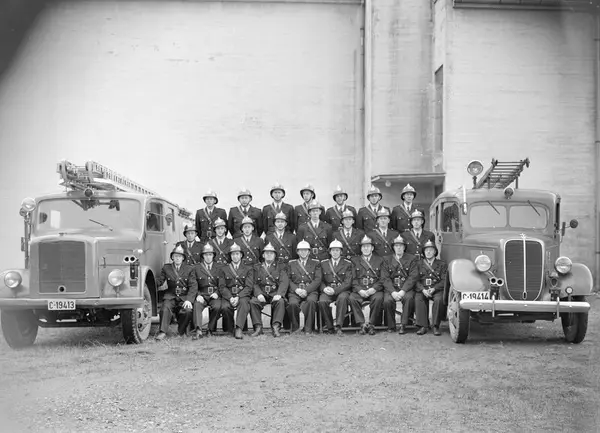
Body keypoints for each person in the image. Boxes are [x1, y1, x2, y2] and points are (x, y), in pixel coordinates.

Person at [155, 245, 198, 340]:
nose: (177, 258)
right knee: (165, 308)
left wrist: (189, 300)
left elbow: (193, 286)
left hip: (184, 296)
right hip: (171, 295)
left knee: (187, 311)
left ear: (183, 258)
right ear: (172, 257)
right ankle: (162, 332)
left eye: (179, 256)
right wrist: (150, 282)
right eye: (175, 256)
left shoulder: (189, 269)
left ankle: (181, 332)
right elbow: (160, 281)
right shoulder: (167, 268)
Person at [348, 235, 389, 335]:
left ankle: (371, 324)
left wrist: (374, 289)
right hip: (360, 289)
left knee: (378, 298)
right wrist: (359, 290)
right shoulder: (354, 260)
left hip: (374, 289)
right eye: (364, 246)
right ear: (361, 249)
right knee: (352, 298)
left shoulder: (380, 260)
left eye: (368, 246)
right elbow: (352, 279)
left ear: (372, 248)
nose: (366, 248)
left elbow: (383, 278)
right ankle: (361, 324)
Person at [191, 244, 231, 339]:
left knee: (217, 307)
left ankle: (210, 329)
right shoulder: (196, 268)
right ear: (203, 256)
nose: (208, 257)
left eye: (210, 254)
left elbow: (222, 284)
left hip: (215, 295)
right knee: (197, 305)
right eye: (206, 255)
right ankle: (198, 330)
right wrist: (198, 295)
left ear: (213, 255)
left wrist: (217, 293)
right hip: (202, 294)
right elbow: (194, 284)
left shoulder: (220, 267)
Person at [249, 243, 289, 337]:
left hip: (274, 293)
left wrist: (279, 294)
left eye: (271, 253)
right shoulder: (257, 267)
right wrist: (258, 294)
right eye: (267, 253)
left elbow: (284, 281)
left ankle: (276, 327)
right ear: (263, 255)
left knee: (280, 302)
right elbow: (253, 282)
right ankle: (258, 328)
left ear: (275, 255)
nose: (269, 255)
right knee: (253, 302)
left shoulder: (281, 267)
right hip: (262, 292)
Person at [382, 235, 418, 334]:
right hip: (392, 288)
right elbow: (385, 278)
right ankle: (391, 326)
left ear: (404, 247)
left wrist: (403, 291)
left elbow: (413, 277)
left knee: (409, 299)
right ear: (393, 247)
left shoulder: (412, 259)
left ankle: (403, 324)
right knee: (387, 301)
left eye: (401, 246)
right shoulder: (386, 259)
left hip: (405, 288)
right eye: (396, 246)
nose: (398, 248)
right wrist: (393, 292)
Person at [218, 243, 254, 340]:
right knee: (225, 307)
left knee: (243, 304)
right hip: (228, 295)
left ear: (241, 255)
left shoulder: (248, 269)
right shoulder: (224, 269)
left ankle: (239, 328)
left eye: (237, 254)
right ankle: (230, 329)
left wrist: (238, 297)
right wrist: (230, 298)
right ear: (230, 256)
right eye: (233, 254)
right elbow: (222, 286)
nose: (235, 256)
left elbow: (249, 287)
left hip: (242, 295)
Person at [318, 240, 353, 336]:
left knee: (342, 298)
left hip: (342, 290)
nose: (335, 252)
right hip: (328, 290)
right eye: (333, 250)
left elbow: (348, 282)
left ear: (341, 251)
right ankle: (329, 327)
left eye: (337, 250)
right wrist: (324, 288)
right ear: (330, 252)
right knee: (322, 301)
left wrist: (335, 290)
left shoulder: (347, 263)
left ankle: (338, 326)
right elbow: (319, 279)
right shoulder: (323, 263)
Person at [286, 240, 322, 334]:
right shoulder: (291, 263)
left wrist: (306, 290)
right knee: (292, 304)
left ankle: (308, 328)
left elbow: (317, 279)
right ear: (297, 252)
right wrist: (296, 289)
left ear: (309, 252)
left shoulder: (316, 263)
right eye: (301, 250)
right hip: (295, 291)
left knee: (311, 302)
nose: (303, 252)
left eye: (305, 250)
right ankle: (295, 328)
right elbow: (288, 279)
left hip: (310, 291)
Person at [415, 240, 448, 336]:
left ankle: (435, 326)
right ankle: (423, 326)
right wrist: (422, 289)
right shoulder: (418, 264)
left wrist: (434, 289)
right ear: (423, 252)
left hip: (436, 289)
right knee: (418, 298)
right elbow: (415, 280)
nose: (428, 252)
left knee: (439, 300)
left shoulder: (442, 264)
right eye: (426, 250)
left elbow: (444, 280)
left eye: (431, 250)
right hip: (423, 289)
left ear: (435, 252)